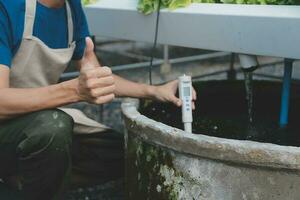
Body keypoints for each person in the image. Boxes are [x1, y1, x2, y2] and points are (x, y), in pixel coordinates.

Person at [0, 0, 196, 199]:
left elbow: (97, 75)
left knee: (127, 154)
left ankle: (23, 179)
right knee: (53, 128)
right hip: (14, 124)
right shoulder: (7, 7)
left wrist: (154, 90)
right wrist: (74, 91)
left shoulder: (71, 8)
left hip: (35, 120)